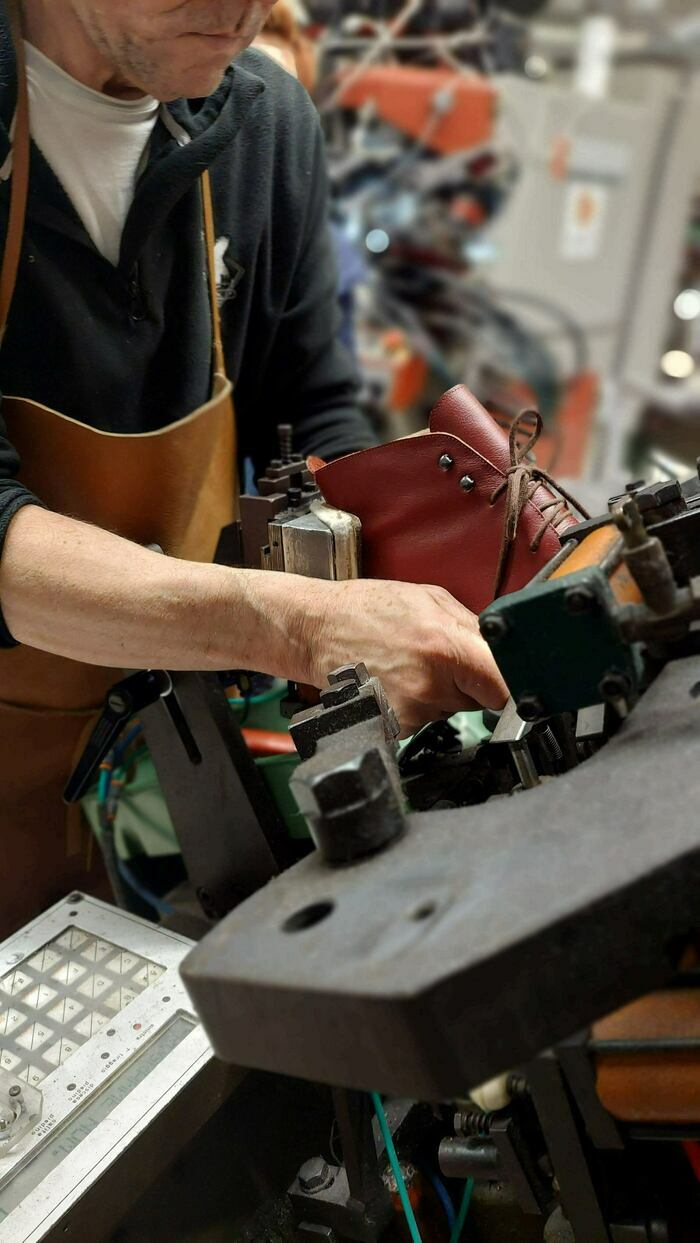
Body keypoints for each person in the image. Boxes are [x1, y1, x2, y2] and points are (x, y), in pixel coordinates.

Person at [0, 0, 507, 936]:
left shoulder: (263, 123)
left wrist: (433, 570)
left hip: (182, 736)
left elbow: (311, 412)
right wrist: (297, 628)